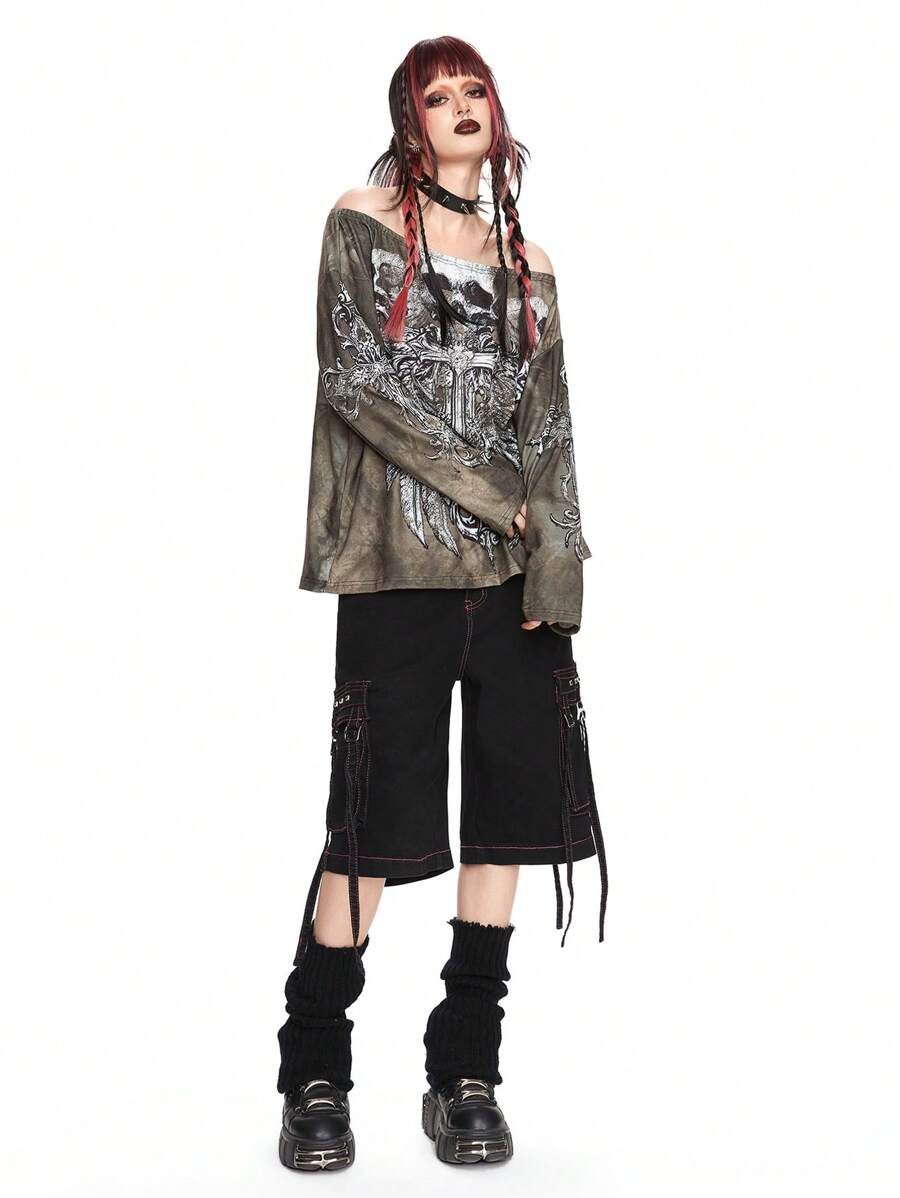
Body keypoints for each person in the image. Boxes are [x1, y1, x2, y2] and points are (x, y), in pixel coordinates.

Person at [276, 35, 608, 1172]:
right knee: (371, 824)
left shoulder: (530, 265)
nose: (460, 105)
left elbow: (550, 431)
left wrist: (556, 563)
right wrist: (501, 501)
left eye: (475, 90)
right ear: (408, 120)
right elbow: (357, 383)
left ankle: (467, 1069)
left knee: (508, 814)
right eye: (437, 94)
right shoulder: (362, 222)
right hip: (396, 571)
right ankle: (315, 1070)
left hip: (514, 586)